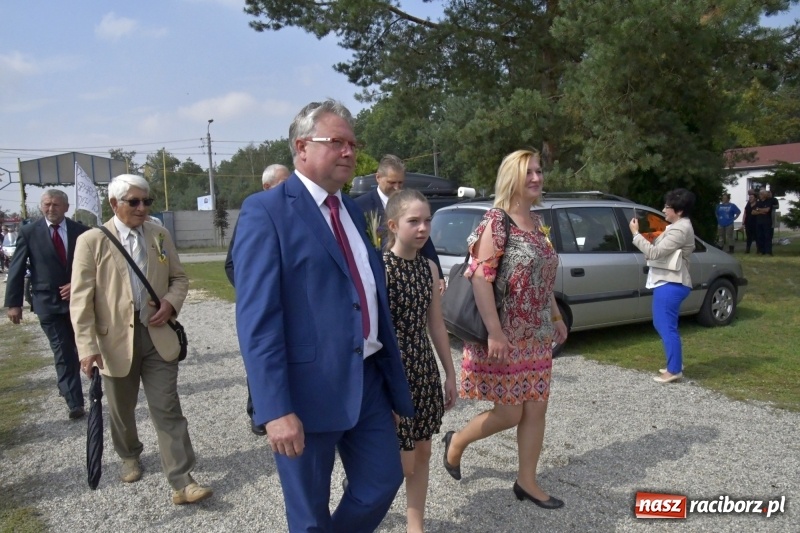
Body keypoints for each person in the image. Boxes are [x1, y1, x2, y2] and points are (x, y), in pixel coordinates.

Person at [232, 100, 414, 532]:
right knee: (309, 513)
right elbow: (257, 320)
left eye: (352, 143)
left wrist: (388, 383)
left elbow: (365, 294)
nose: (349, 152)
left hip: (366, 379)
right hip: (305, 390)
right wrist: (275, 409)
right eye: (337, 142)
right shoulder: (266, 211)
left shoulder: (349, 209)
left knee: (382, 481)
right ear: (301, 147)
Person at [70, 174, 212, 504]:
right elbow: (80, 299)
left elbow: (178, 278)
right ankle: (130, 454)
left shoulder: (159, 234)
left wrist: (170, 303)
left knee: (167, 408)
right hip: (114, 341)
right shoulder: (92, 241)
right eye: (134, 202)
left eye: (146, 201)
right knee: (122, 409)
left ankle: (182, 480)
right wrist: (87, 347)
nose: (142, 207)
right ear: (114, 204)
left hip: (157, 334)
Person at [442, 149, 567, 510]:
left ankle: (527, 481)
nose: (536, 178)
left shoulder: (538, 224)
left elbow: (543, 281)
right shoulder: (496, 221)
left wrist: (556, 318)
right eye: (528, 172)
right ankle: (457, 442)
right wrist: (495, 333)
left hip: (538, 337)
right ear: (511, 176)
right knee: (510, 413)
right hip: (505, 336)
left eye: (539, 171)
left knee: (536, 412)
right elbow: (481, 278)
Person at [383, 189, 456, 533]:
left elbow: (436, 324)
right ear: (393, 225)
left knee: (423, 454)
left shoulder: (429, 268)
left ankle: (416, 527)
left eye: (427, 220)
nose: (423, 227)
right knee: (399, 461)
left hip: (423, 368)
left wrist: (450, 374)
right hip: (393, 371)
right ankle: (361, 506)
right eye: (414, 221)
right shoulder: (381, 269)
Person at [4, 190, 88, 419]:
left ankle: (74, 386)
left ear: (66, 207)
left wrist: (78, 284)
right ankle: (75, 403)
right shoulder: (30, 232)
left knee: (82, 347)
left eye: (56, 205)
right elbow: (17, 268)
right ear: (41, 206)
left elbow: (97, 266)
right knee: (62, 351)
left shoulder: (82, 232)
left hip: (78, 302)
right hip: (46, 303)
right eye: (47, 204)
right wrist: (14, 303)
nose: (51, 209)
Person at [224, 163, 290, 436]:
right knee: (262, 355)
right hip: (266, 303)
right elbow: (231, 264)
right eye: (282, 184)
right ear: (266, 187)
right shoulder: (255, 213)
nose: (288, 189)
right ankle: (258, 411)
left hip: (292, 306)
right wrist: (256, 292)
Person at [629, 188, 696, 383]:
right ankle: (674, 364)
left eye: (667, 207)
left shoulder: (680, 229)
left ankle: (674, 370)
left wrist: (635, 234)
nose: (664, 210)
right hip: (667, 281)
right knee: (665, 324)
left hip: (672, 282)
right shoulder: (676, 227)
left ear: (679, 211)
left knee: (665, 326)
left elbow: (655, 253)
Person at [354, 155, 445, 293]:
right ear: (378, 178)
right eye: (392, 182)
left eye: (401, 183)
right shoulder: (361, 206)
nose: (397, 188)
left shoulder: (409, 202)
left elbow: (424, 239)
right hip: (377, 279)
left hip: (411, 275)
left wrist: (438, 274)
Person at [753, 189, 774, 256]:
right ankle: (762, 251)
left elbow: (767, 210)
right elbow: (753, 212)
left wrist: (759, 210)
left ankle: (768, 252)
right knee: (760, 236)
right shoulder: (758, 202)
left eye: (761, 194)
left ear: (764, 195)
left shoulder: (769, 201)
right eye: (760, 194)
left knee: (767, 237)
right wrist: (761, 211)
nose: (760, 195)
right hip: (759, 222)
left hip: (767, 222)